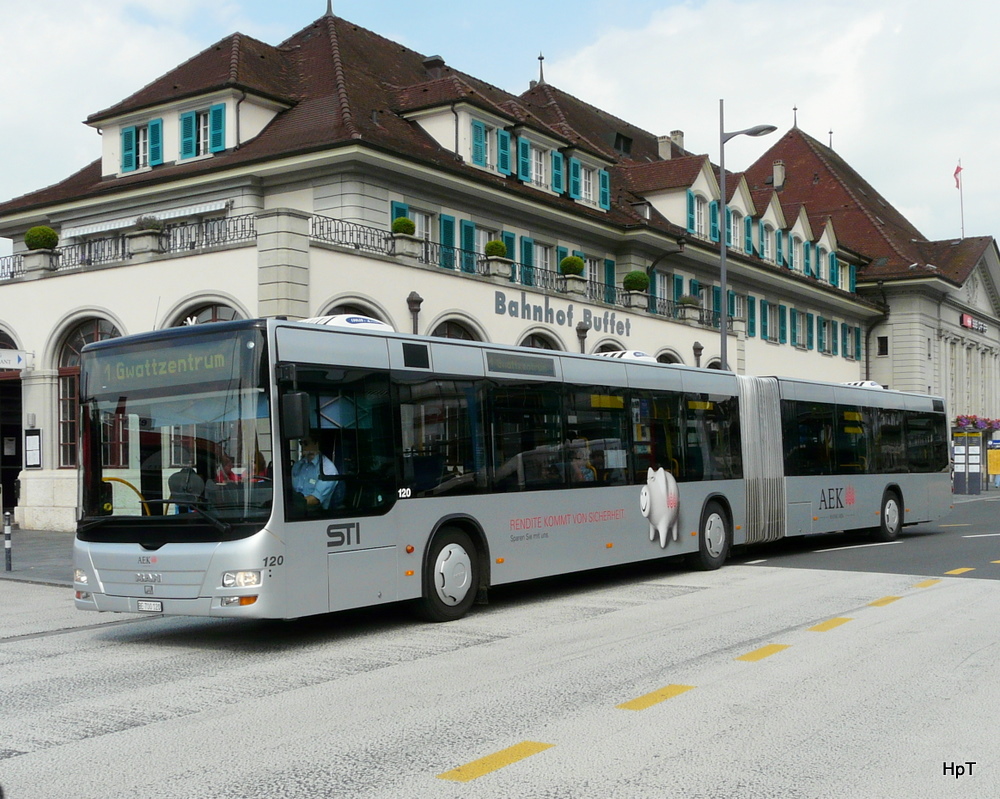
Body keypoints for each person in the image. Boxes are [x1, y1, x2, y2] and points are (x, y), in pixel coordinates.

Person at [290, 433, 341, 511]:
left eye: (306, 443)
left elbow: (314, 500)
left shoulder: (327, 469)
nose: (302, 446)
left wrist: (290, 505)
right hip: (297, 507)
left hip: (314, 512)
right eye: (301, 443)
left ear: (316, 444)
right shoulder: (299, 465)